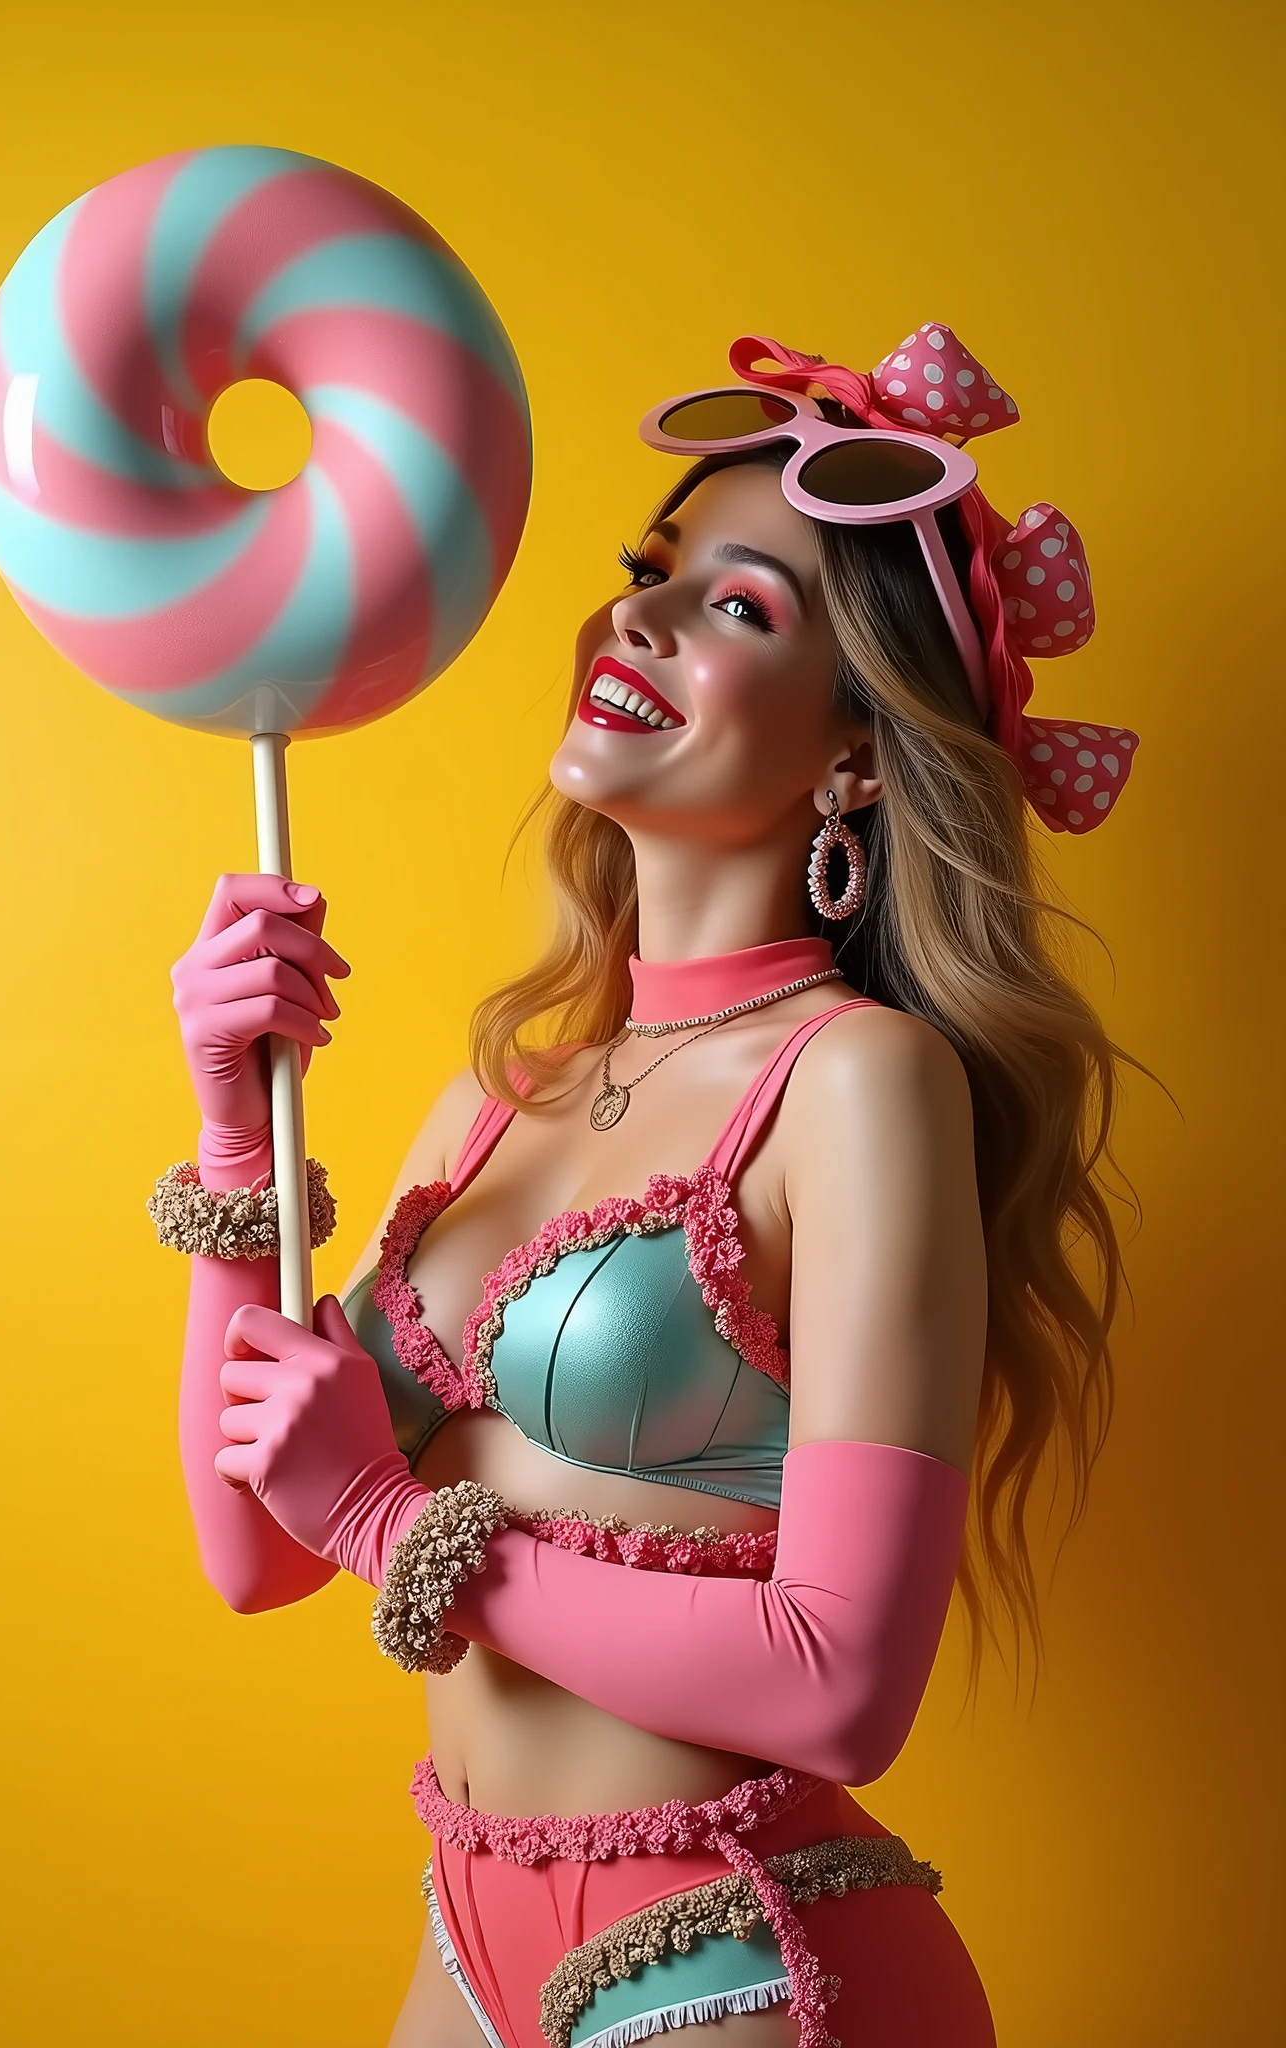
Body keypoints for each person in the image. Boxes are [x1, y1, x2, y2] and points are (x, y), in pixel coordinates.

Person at [156, 325, 1137, 2048]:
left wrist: (391, 1520)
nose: (641, 618)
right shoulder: (492, 1096)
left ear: (856, 758)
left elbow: (842, 1686)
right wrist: (239, 1136)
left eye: (741, 609)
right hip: (463, 1944)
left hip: (740, 1956)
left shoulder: (854, 1084)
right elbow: (252, 1551)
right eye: (653, 572)